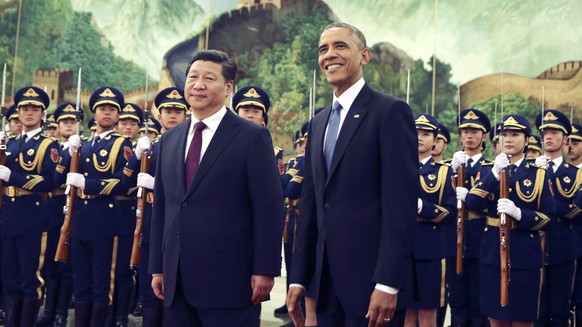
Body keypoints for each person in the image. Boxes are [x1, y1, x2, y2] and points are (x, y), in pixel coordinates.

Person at [285, 22, 417, 327]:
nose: (329, 55)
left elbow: (401, 206)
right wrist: (298, 278)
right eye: (323, 49)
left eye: (340, 46)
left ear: (364, 56)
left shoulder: (389, 112)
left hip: (372, 286)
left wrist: (388, 283)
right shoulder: (318, 123)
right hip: (325, 286)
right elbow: (311, 207)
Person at [149, 50, 284, 326]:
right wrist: (157, 268)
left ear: (228, 87)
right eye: (192, 77)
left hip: (230, 281)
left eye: (209, 78)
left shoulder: (251, 136)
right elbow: (163, 208)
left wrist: (265, 269)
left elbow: (268, 206)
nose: (198, 85)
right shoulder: (169, 140)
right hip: (177, 280)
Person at [464, 114, 553, 327]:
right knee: (496, 319)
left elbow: (548, 219)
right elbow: (472, 202)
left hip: (524, 255)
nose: (509, 140)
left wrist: (520, 214)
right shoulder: (488, 170)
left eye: (515, 135)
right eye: (504, 135)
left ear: (527, 140)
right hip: (493, 254)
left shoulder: (538, 174)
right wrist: (494, 173)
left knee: (522, 320)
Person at [54, 86, 133, 325]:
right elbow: (58, 179)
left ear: (117, 115)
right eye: (102, 109)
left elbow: (124, 183)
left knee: (102, 284)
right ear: (94, 113)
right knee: (82, 281)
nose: (106, 113)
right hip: (80, 219)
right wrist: (69, 151)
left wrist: (87, 183)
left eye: (111, 109)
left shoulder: (122, 145)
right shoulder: (84, 144)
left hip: (105, 220)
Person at [123, 86, 188, 326]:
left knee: (172, 292)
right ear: (158, 116)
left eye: (177, 111)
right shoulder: (153, 145)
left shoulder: (189, 145)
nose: (172, 115)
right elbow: (125, 181)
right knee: (149, 291)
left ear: (185, 114)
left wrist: (157, 185)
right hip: (151, 223)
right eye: (167, 111)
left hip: (177, 225)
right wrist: (137, 156)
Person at [0, 86, 60, 327]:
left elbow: (50, 181)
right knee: (10, 277)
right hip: (9, 217)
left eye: (34, 109)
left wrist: (12, 176)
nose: (29, 112)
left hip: (32, 217)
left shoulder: (49, 145)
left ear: (42, 114)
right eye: (24, 108)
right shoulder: (10, 144)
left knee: (30, 280)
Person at [405, 114, 455, 327]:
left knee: (427, 315)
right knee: (404, 313)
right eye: (416, 133)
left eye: (426, 134)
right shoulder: (397, 166)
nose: (419, 138)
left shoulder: (443, 172)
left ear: (435, 140)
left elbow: (450, 212)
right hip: (401, 248)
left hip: (429, 249)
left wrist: (421, 207)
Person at [36, 102, 82, 327]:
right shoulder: (52, 148)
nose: (68, 125)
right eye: (64, 122)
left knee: (67, 264)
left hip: (75, 209)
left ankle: (61, 313)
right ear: (58, 124)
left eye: (72, 122)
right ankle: (49, 310)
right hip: (53, 208)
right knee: (51, 264)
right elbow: (52, 180)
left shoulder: (85, 147)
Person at [534, 109, 581, 327]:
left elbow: (576, 211)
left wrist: (548, 193)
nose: (548, 137)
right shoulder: (530, 171)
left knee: (560, 310)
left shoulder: (576, 174)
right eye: (545, 133)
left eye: (554, 132)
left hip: (563, 244)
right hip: (533, 244)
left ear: (565, 139)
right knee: (538, 309)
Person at [449, 108, 492, 327]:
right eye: (465, 130)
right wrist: (452, 170)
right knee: (457, 300)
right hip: (453, 240)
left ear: (484, 136)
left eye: (475, 131)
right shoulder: (450, 166)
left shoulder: (491, 169)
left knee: (478, 298)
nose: (469, 135)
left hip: (479, 239)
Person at [108, 102, 143, 326]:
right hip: (105, 212)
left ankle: (120, 316)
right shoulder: (107, 147)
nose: (128, 127)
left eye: (133, 123)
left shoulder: (139, 150)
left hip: (128, 212)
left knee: (123, 268)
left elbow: (127, 183)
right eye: (124, 122)